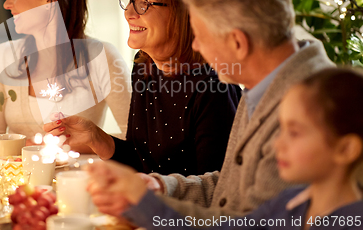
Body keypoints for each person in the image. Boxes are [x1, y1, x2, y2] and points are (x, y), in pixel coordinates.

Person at [84, 0, 335, 220]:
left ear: (237, 42)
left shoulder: (307, 110)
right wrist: (161, 187)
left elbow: (252, 226)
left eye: (201, 35)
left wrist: (148, 206)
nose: (196, 47)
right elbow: (230, 188)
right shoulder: (265, 87)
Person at [87, 68, 363, 230]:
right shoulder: (290, 204)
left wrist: (144, 202)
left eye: (294, 133)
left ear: (346, 149)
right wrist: (143, 200)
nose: (278, 143)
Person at [45, 0, 241, 175]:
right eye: (130, 0)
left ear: (182, 13)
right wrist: (96, 137)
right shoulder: (144, 67)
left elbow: (214, 191)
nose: (129, 13)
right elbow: (141, 161)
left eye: (144, 3)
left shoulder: (214, 89)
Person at [0, 0, 131, 151]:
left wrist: (66, 145)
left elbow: (135, 140)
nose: (7, 3)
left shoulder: (102, 57)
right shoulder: (3, 57)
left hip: (79, 181)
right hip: (20, 183)